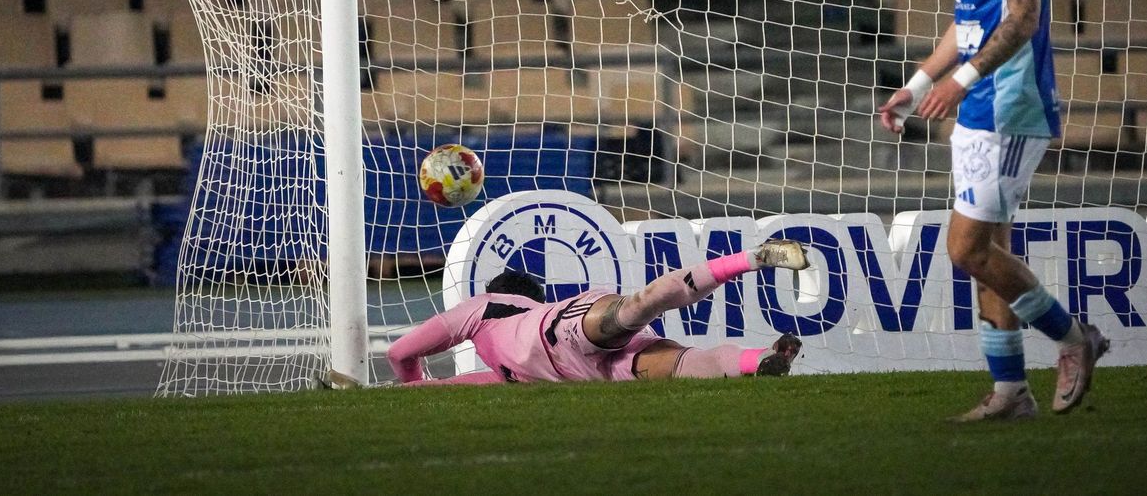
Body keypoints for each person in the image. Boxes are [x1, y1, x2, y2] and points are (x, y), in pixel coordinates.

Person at [876, 0, 1109, 422]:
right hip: (977, 106)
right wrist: (919, 82)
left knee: (967, 248)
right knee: (991, 254)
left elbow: (1022, 18)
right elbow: (969, 22)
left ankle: (1073, 340)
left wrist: (961, 81)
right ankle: (1010, 391)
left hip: (1010, 105)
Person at [329, 240, 809, 388]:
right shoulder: (505, 369)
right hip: (580, 357)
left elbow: (401, 352)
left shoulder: (486, 309)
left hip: (557, 338)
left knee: (648, 319)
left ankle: (753, 261)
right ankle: (758, 358)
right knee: (674, 352)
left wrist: (411, 388)